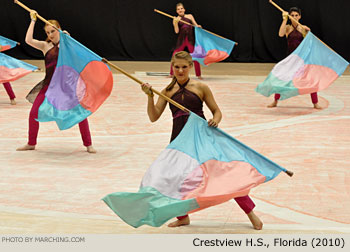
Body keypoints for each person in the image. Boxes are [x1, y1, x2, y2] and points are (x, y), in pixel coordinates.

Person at [141, 51, 263, 230]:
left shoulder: (200, 87)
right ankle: (183, 217)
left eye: (184, 67)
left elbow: (217, 111)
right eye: (177, 67)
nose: (180, 70)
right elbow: (153, 117)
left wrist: (216, 120)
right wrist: (150, 97)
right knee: (174, 179)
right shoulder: (167, 91)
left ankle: (251, 213)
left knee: (225, 176)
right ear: (172, 67)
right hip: (180, 143)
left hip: (203, 140)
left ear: (190, 67)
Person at [16, 10, 96, 153]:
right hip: (49, 86)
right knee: (34, 112)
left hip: (67, 87)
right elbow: (28, 40)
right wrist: (32, 20)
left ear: (58, 29)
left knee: (80, 114)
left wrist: (68, 40)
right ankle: (31, 143)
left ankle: (88, 144)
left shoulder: (67, 44)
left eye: (53, 31)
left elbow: (80, 55)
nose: (50, 35)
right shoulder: (45, 46)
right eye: (47, 32)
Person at [268, 7, 322, 109]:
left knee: (311, 80)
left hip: (302, 59)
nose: (294, 17)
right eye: (292, 15)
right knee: (282, 79)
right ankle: (275, 101)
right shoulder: (288, 28)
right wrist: (284, 19)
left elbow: (309, 44)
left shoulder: (303, 28)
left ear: (300, 16)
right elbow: (280, 34)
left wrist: (309, 33)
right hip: (290, 59)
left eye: (296, 15)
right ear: (289, 16)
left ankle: (315, 103)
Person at [169, 3, 202, 79]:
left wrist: (198, 26)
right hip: (181, 40)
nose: (180, 10)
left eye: (181, 8)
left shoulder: (190, 16)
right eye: (178, 9)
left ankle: (199, 75)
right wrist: (175, 23)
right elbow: (176, 31)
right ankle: (171, 73)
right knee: (175, 55)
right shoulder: (176, 19)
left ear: (184, 9)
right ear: (177, 11)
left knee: (195, 56)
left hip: (190, 39)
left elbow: (196, 25)